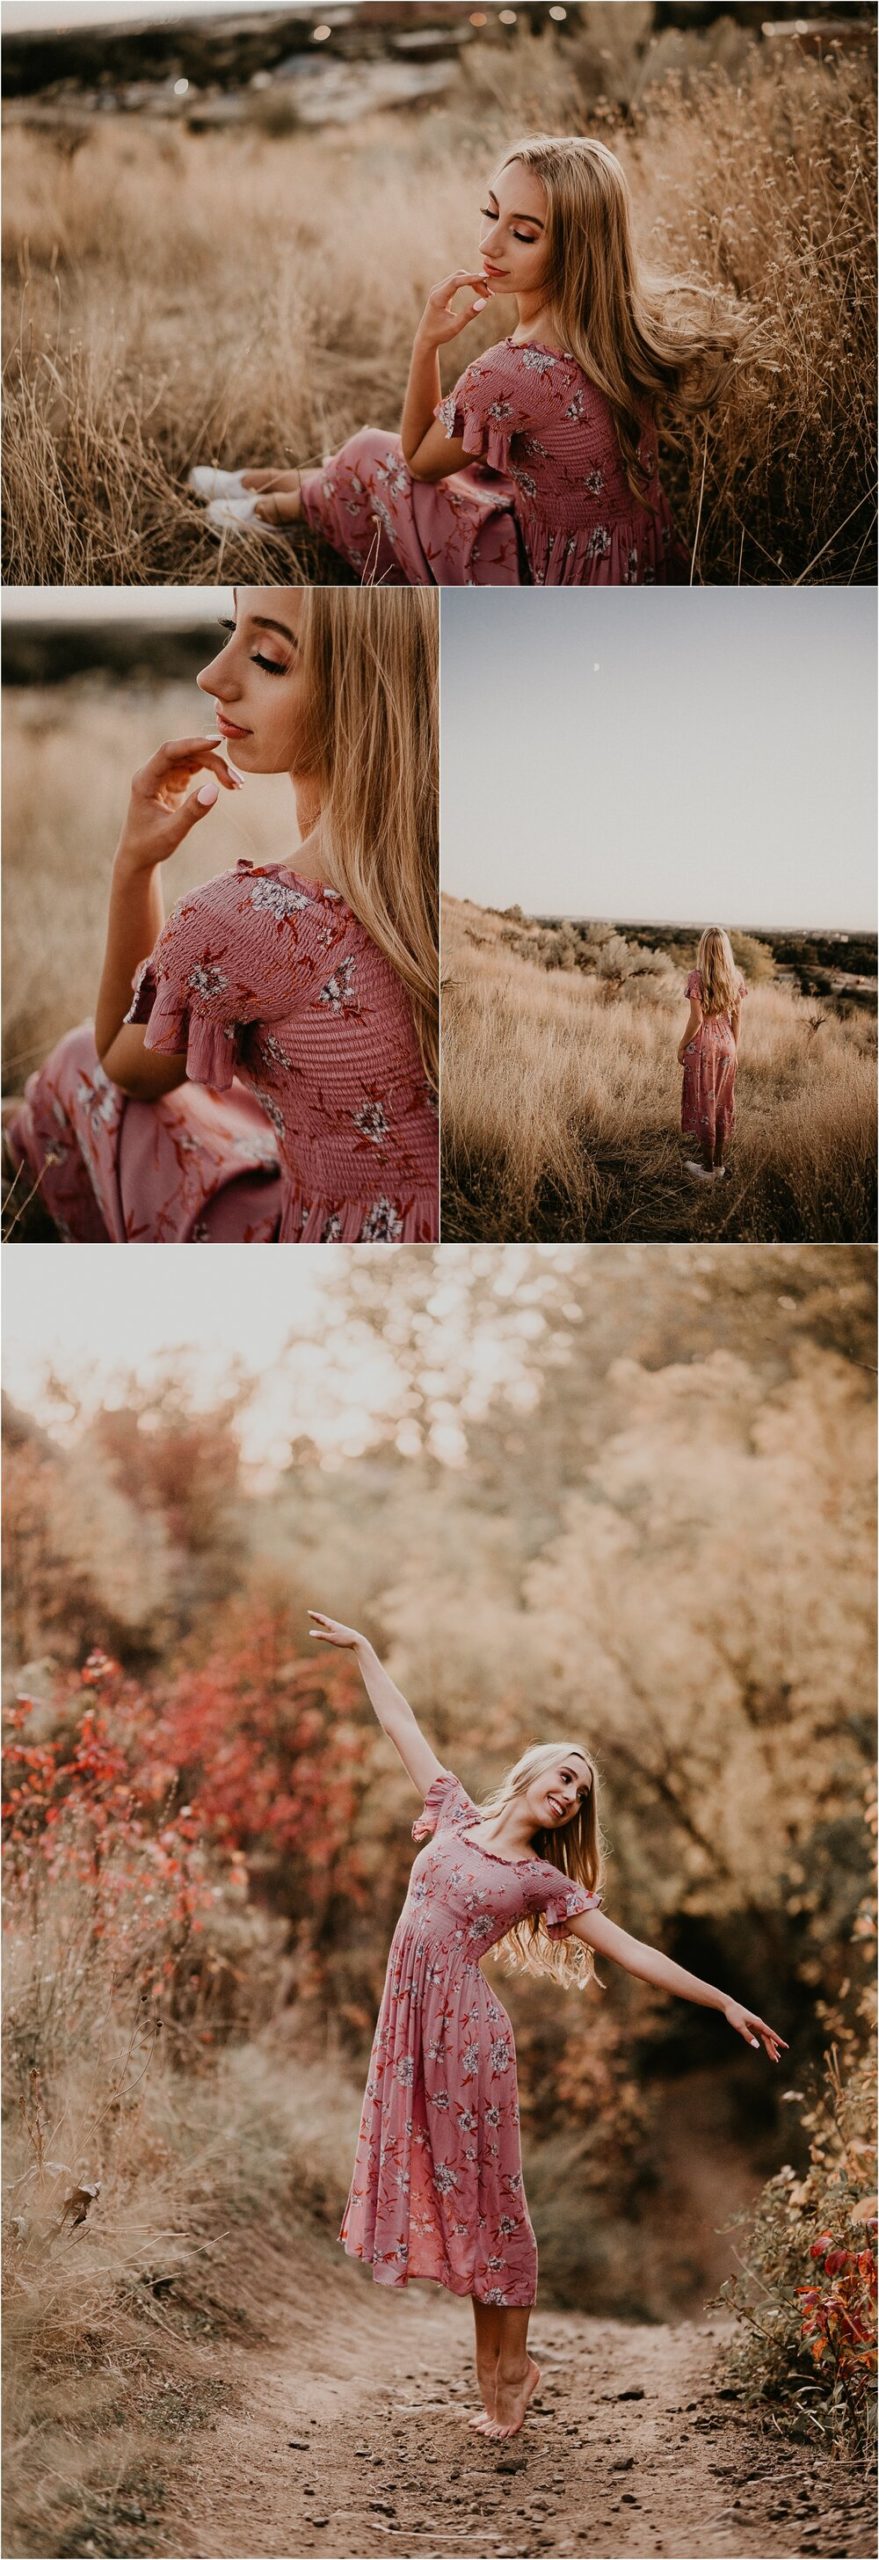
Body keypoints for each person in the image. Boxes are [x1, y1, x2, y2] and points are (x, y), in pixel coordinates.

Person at [308, 1611, 786, 2442]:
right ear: (528, 1773)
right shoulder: (452, 1814)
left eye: (578, 1793)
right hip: (409, 2033)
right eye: (562, 1776)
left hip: (466, 2041)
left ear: (570, 1815)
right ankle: (501, 2369)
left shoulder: (539, 1882)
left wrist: (720, 2000)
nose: (566, 1793)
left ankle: (509, 2368)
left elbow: (633, 1951)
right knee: (453, 2195)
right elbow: (399, 1722)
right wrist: (366, 1651)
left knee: (491, 2200)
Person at [6, 590, 439, 1245]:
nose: (211, 675)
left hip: (317, 1238)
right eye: (227, 630)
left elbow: (128, 1068)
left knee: (78, 1065)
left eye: (266, 658)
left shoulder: (249, 920)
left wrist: (135, 864)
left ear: (361, 691)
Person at [188, 136, 738, 588]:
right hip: (638, 563)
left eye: (522, 233)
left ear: (577, 247)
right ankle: (260, 486)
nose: (489, 244)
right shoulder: (623, 321)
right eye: (490, 213)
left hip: (551, 581)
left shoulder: (513, 371)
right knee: (453, 462)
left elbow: (420, 462)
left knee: (371, 454)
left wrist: (425, 343)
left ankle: (271, 510)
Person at [679, 926, 747, 1182]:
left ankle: (707, 1169)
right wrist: (735, 1049)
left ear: (704, 949)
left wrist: (682, 1045)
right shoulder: (736, 977)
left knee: (705, 1102)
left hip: (705, 1042)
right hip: (728, 1041)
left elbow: (697, 1020)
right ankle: (719, 1164)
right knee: (722, 1102)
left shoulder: (696, 977)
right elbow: (737, 1017)